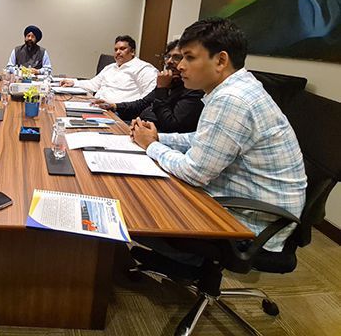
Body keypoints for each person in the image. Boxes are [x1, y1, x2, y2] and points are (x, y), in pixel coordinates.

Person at [131, 18, 306, 253]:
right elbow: (202, 140)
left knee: (136, 203)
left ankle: (187, 262)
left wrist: (150, 146)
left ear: (221, 60)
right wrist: (159, 138)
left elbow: (194, 173)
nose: (180, 66)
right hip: (245, 205)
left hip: (252, 224)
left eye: (189, 57)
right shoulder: (236, 87)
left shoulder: (232, 99)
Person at [93, 40, 204, 133]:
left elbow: (171, 126)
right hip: (136, 126)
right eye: (168, 57)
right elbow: (143, 103)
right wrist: (114, 106)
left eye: (176, 57)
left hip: (156, 138)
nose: (169, 61)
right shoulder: (171, 82)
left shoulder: (192, 89)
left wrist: (162, 89)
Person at [61, 35, 157, 103]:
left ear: (132, 52)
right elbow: (93, 84)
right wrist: (74, 83)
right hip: (96, 105)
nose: (118, 52)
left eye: (122, 49)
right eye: (116, 49)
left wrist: (120, 107)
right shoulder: (110, 67)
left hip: (119, 112)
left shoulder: (144, 69)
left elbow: (148, 98)